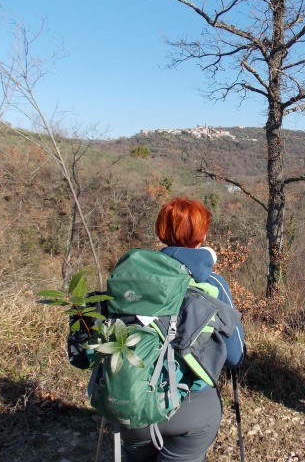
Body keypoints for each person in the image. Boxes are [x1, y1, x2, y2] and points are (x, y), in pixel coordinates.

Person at [120, 197, 245, 462]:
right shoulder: (212, 283)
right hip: (190, 406)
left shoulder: (133, 278)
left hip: (131, 400)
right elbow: (235, 357)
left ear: (161, 231)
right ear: (202, 235)